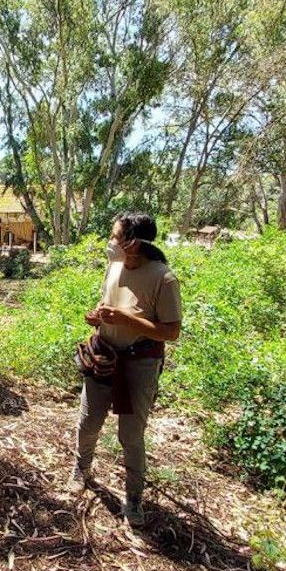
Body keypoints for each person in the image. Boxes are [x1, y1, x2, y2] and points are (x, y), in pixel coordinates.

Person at [71, 213, 182, 527]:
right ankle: (81, 469)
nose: (110, 242)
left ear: (133, 242)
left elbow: (171, 331)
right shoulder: (114, 266)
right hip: (103, 356)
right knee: (88, 422)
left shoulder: (163, 278)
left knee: (131, 435)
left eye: (115, 237)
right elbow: (106, 304)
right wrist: (97, 317)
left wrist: (126, 320)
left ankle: (133, 498)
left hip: (140, 364)